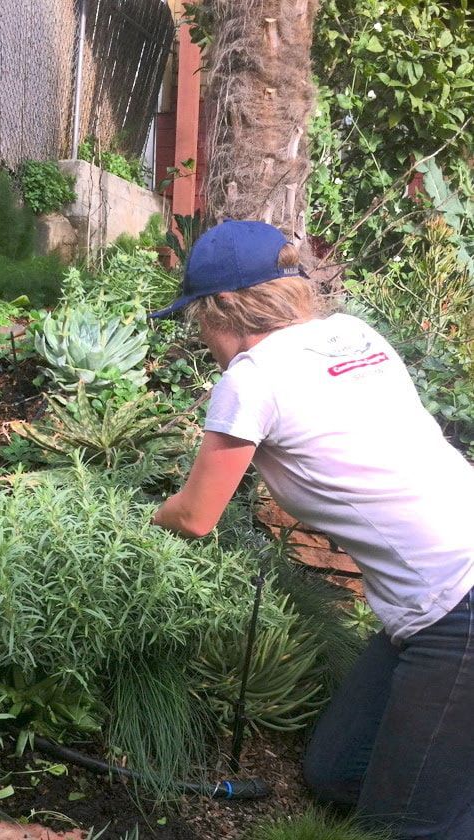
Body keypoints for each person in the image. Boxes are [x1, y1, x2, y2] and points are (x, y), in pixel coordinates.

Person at [150, 219, 474, 840]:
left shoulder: (251, 378)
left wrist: (141, 516)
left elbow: (194, 518)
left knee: (402, 827)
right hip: (429, 603)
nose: (200, 337)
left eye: (197, 319)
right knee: (335, 772)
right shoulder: (351, 334)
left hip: (456, 612)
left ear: (221, 309)